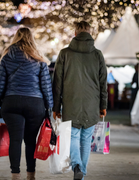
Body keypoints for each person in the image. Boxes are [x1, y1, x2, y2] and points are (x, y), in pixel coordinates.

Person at [0, 27, 53, 180]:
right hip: (35, 103)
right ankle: (31, 175)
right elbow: (46, 86)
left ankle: (15, 175)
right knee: (31, 141)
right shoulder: (39, 59)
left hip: (11, 102)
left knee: (15, 140)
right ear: (31, 38)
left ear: (16, 37)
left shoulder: (7, 57)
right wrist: (49, 107)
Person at [52, 21, 107, 180]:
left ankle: (76, 165)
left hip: (71, 103)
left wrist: (56, 107)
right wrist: (103, 105)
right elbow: (103, 82)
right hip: (92, 104)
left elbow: (57, 83)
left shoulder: (64, 54)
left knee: (74, 137)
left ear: (75, 34)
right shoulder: (97, 54)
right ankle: (81, 174)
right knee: (86, 139)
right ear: (90, 34)